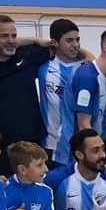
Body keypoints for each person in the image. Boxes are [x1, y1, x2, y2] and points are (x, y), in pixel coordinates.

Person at [0, 14, 54, 176]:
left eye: (14, 35)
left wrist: (35, 40)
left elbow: (62, 48)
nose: (10, 40)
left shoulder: (27, 55)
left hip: (30, 145)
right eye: (4, 36)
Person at [56, 29, 106, 166]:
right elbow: (83, 125)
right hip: (74, 156)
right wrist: (99, 158)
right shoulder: (87, 77)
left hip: (96, 152)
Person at [38, 18, 84, 162]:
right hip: (49, 145)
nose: (75, 45)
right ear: (55, 42)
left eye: (78, 39)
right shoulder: (43, 68)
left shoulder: (86, 70)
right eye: (69, 40)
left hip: (78, 146)